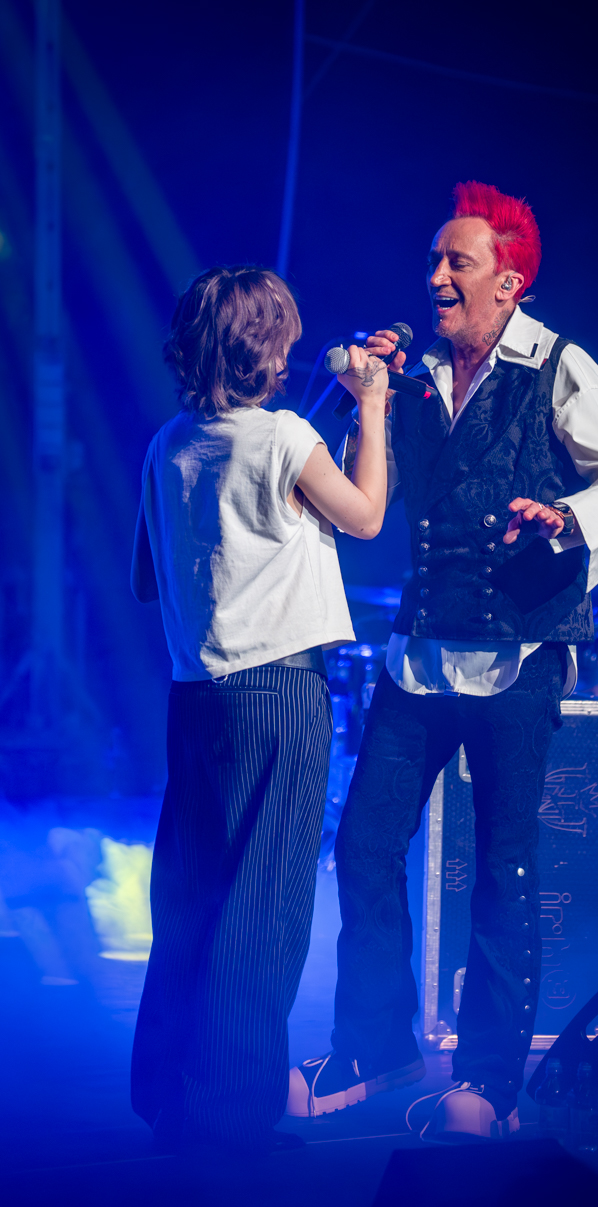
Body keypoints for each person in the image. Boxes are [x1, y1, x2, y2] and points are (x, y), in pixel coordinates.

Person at [287, 183, 598, 1140]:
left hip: (519, 651)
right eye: (433, 260)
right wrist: (364, 397)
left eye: (459, 261)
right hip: (419, 655)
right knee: (365, 845)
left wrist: (564, 517)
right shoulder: (412, 382)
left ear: (508, 282)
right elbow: (359, 496)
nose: (437, 276)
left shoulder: (560, 367)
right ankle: (375, 1045)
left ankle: (490, 1080)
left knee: (503, 863)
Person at [129, 265, 389, 1157]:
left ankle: (172, 1096)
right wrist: (371, 406)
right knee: (263, 905)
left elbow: (146, 577)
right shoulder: (284, 435)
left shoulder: (167, 443)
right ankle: (230, 1117)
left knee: (192, 899)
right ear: (265, 349)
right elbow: (364, 515)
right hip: (277, 691)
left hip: (193, 695)